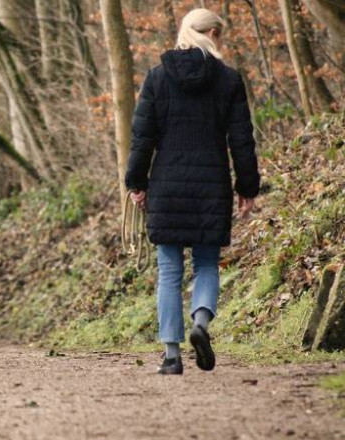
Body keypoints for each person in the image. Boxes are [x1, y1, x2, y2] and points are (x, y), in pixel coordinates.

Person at [124, 8, 260, 375]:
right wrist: (247, 187)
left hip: (167, 184)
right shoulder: (229, 80)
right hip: (211, 185)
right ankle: (200, 324)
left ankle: (171, 356)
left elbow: (143, 138)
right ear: (214, 33)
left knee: (169, 271)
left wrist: (136, 182)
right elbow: (242, 140)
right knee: (205, 263)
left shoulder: (157, 77)